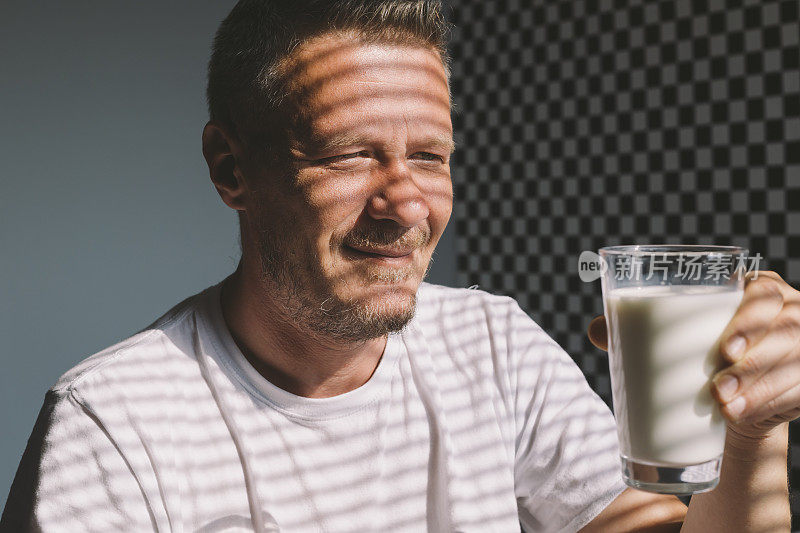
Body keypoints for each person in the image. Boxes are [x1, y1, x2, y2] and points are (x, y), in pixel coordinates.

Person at [1, 1, 795, 531]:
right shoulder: (114, 423)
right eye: (352, 154)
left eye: (430, 156)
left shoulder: (493, 346)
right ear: (231, 167)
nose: (407, 204)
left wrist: (752, 430)